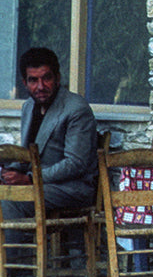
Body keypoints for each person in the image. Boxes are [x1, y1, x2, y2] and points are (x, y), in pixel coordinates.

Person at [2, 47, 99, 221]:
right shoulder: (28, 107)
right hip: (39, 183)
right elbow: (27, 155)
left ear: (57, 78)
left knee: (10, 200)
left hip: (71, 188)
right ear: (24, 83)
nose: (40, 86)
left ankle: (16, 249)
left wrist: (30, 179)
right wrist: (10, 173)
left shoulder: (76, 108)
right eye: (33, 80)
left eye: (46, 78)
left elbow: (76, 163)